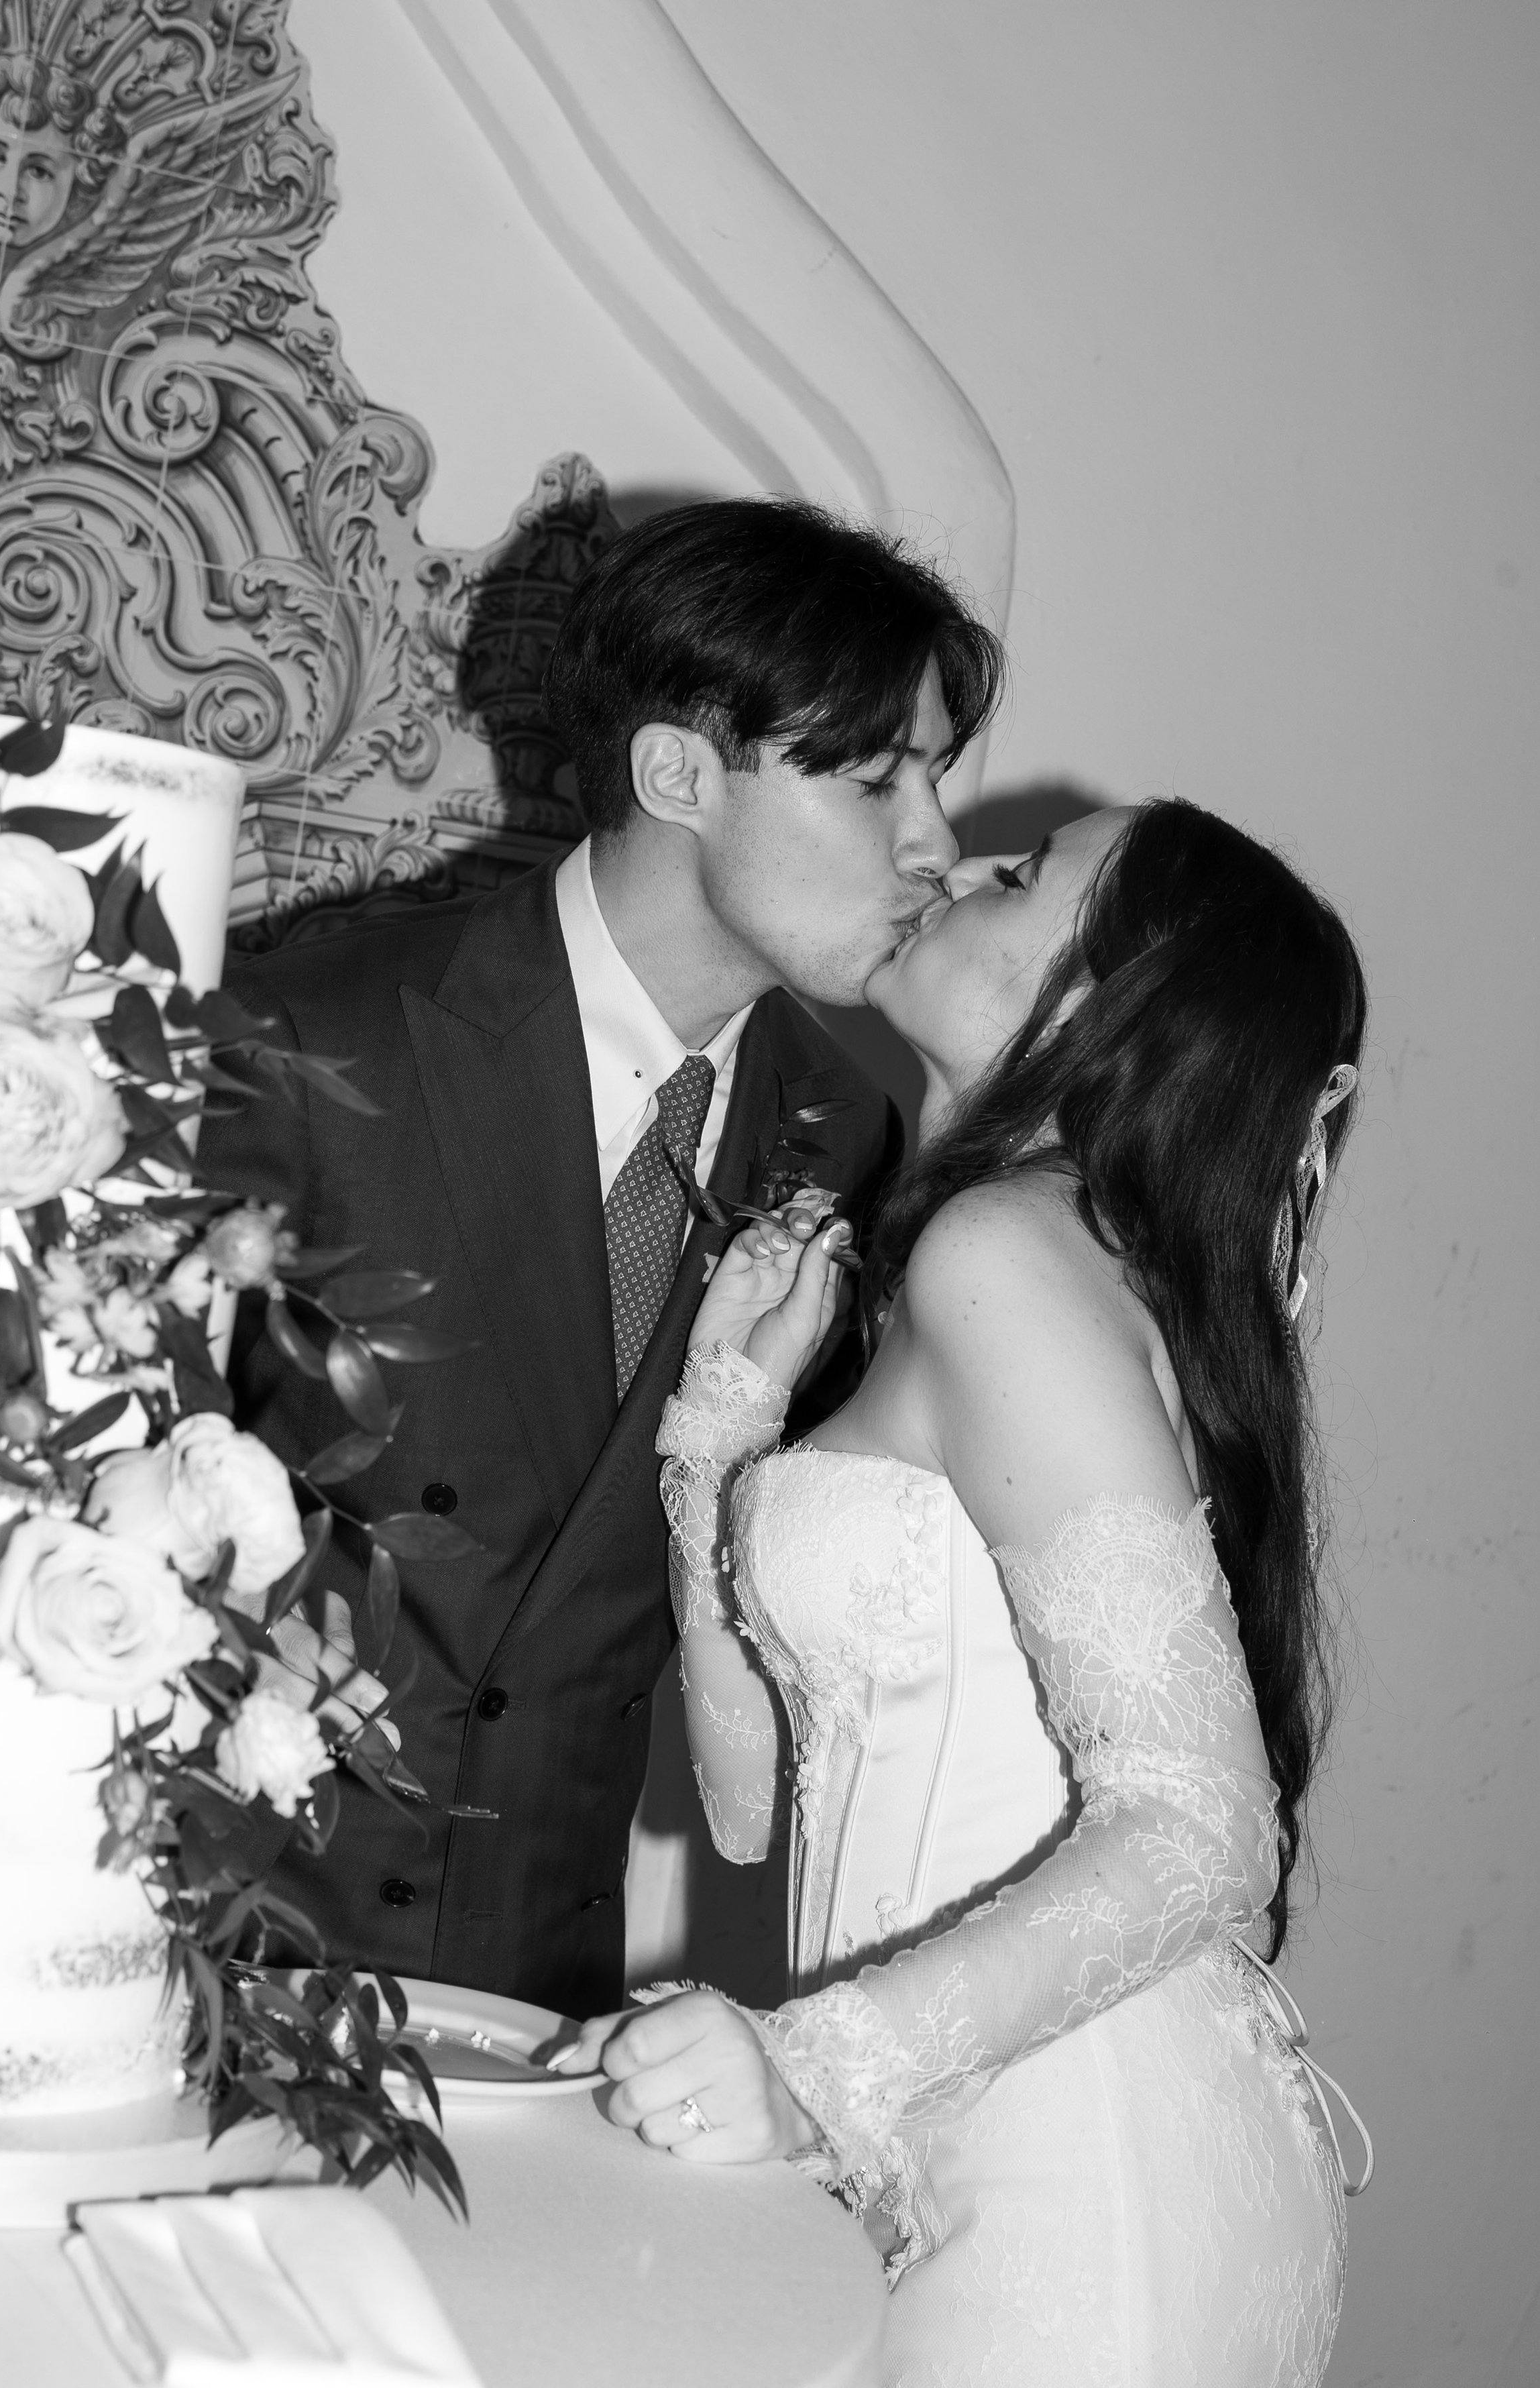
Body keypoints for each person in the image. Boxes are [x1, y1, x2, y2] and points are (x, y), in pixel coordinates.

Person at [556, 800, 1373, 2385]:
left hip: (1075, 2180)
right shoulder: (1009, 1254)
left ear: (1102, 998)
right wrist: (723, 1422)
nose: (946, 867)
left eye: (1018, 877)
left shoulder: (1003, 1253)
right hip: (941, 2146)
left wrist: (812, 2072)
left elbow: (1205, 1827)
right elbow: (746, 1802)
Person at [202, 498, 1004, 2019]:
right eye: (870, 778)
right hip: (242, 1943)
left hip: (539, 1983)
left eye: (935, 777)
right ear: (677, 773)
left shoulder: (838, 1129)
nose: (932, 842)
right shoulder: (312, 1038)